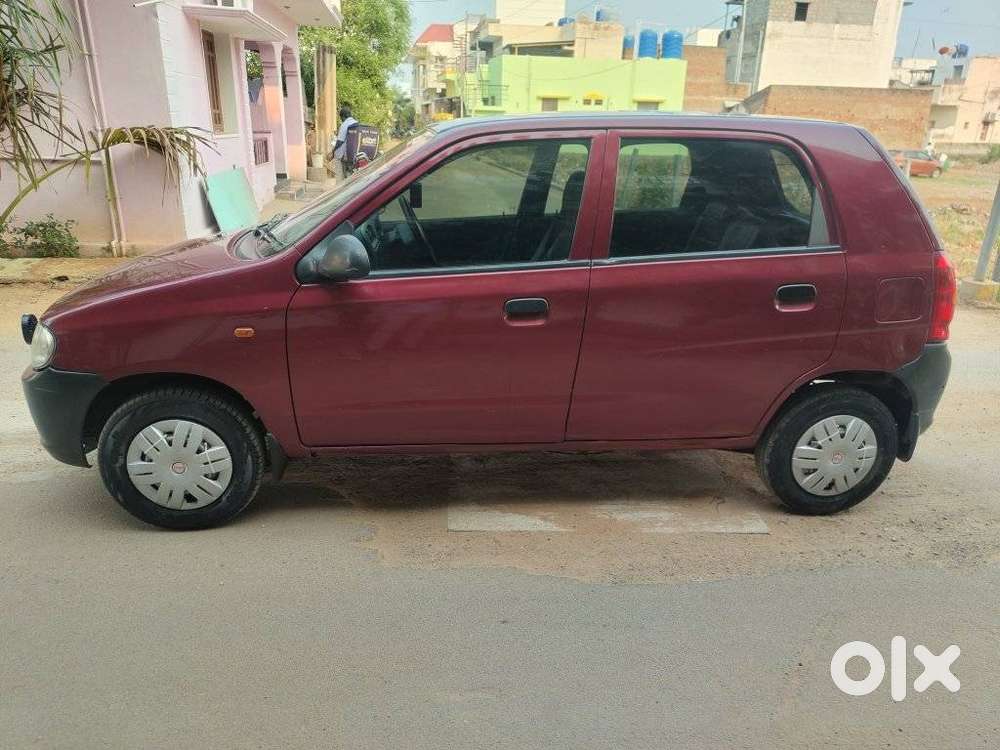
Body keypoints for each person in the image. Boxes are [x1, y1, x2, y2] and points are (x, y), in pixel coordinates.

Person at [331, 105, 358, 180]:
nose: (341, 120)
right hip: (354, 154)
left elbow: (339, 141)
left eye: (341, 117)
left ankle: (339, 185)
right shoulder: (357, 123)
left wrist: (333, 152)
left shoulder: (344, 124)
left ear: (344, 116)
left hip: (343, 155)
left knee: (339, 172)